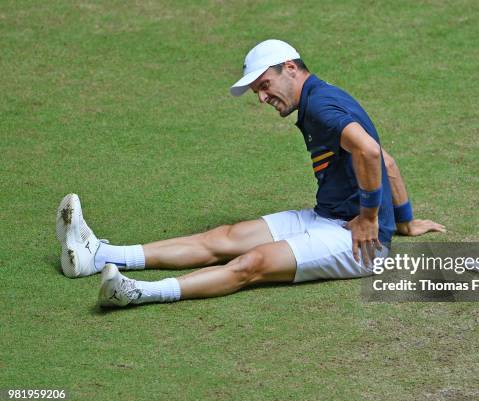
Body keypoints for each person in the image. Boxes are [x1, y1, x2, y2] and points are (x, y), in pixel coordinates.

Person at [56, 39, 445, 307]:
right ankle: (98, 255)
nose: (262, 98)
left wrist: (371, 218)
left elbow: (369, 151)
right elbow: (388, 162)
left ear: (290, 69)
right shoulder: (320, 98)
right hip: (326, 218)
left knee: (251, 264)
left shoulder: (323, 108)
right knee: (223, 237)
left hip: (360, 244)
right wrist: (406, 222)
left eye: (265, 85)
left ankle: (139, 292)